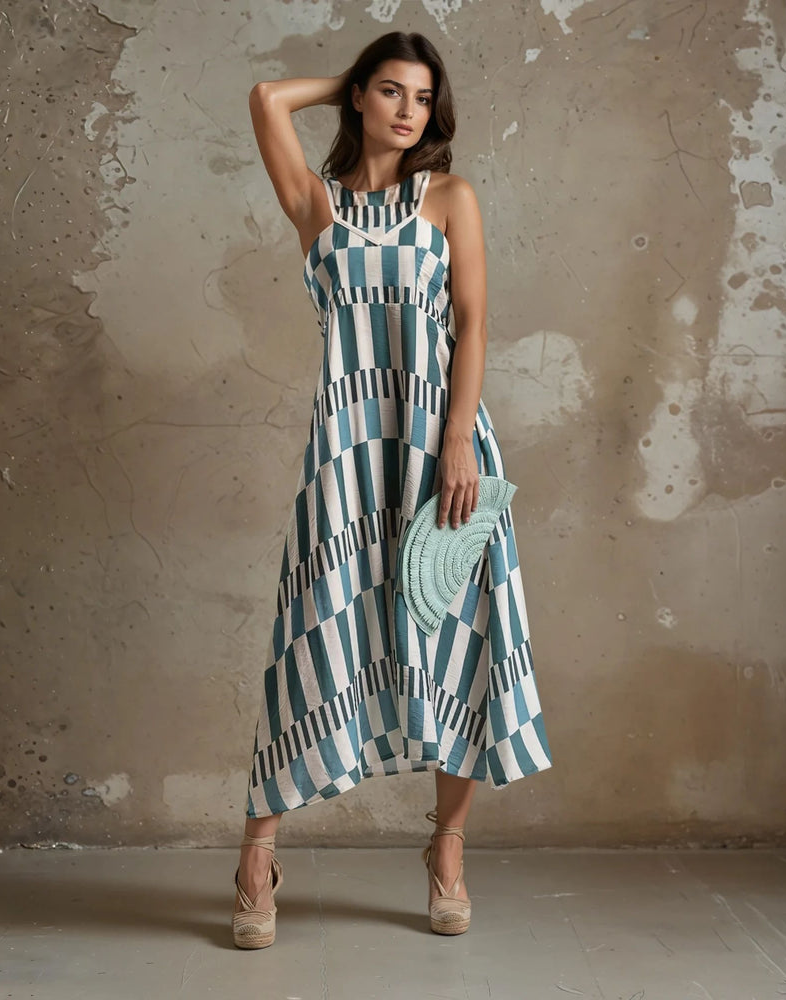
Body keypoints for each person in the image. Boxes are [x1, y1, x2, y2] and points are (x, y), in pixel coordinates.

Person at [234, 31, 552, 949]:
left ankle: (446, 848)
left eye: (422, 95)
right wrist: (349, 78)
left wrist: (459, 442)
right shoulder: (317, 206)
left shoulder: (451, 198)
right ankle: (258, 855)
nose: (410, 109)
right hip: (347, 448)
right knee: (311, 631)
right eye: (391, 92)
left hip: (442, 446)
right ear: (361, 101)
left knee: (463, 633)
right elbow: (263, 98)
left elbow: (474, 325)